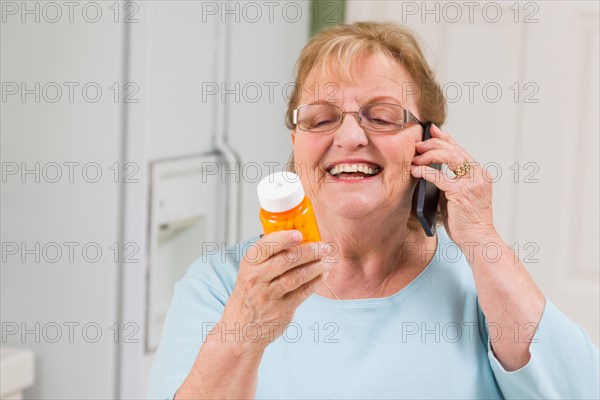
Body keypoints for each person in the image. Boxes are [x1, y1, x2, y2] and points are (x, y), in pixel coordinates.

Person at [148, 21, 599, 399]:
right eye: (321, 119)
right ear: (296, 145)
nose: (348, 138)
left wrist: (482, 237)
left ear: (428, 143)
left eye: (381, 116)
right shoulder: (223, 286)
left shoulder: (480, 282)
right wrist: (245, 330)